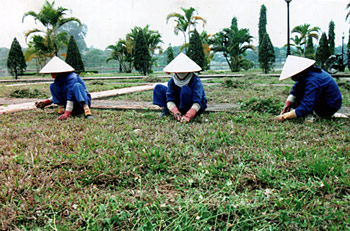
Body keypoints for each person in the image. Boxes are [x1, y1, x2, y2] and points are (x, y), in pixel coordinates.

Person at [273, 55, 342, 122]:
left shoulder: (313, 80)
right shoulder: (307, 74)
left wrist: (284, 116)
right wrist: (287, 104)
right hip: (323, 99)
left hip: (330, 105)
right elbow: (295, 89)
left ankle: (311, 114)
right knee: (298, 93)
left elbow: (307, 103)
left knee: (305, 104)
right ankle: (304, 112)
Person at [153, 53, 207, 123]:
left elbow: (197, 101)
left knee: (185, 89)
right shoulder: (172, 81)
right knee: (158, 88)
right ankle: (167, 109)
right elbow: (170, 98)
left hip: (193, 105)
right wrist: (175, 111)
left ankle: (185, 112)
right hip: (178, 102)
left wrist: (189, 115)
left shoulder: (195, 80)